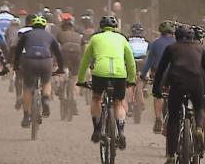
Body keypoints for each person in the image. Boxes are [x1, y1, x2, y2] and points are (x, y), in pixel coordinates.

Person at [151, 24, 205, 164]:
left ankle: (170, 157)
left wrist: (156, 90)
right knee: (199, 108)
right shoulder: (200, 49)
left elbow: (161, 71)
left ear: (176, 37)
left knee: (174, 119)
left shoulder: (171, 49)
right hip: (197, 85)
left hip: (177, 85)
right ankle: (199, 129)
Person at [76, 15, 136, 150]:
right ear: (115, 28)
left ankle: (97, 129)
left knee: (96, 98)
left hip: (100, 72)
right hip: (120, 73)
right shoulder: (122, 39)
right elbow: (131, 62)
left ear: (101, 27)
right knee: (118, 103)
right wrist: (131, 79)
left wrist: (81, 80)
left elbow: (85, 61)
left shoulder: (95, 38)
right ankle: (120, 131)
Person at [13, 15, 65, 127]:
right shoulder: (50, 36)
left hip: (29, 61)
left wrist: (16, 66)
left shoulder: (26, 35)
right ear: (44, 26)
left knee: (27, 87)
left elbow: (17, 51)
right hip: (45, 62)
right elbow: (58, 54)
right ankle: (45, 98)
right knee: (46, 81)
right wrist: (61, 68)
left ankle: (26, 116)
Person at [139, 20, 176, 133]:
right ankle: (171, 120)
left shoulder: (155, 43)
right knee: (173, 97)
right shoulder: (177, 42)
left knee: (158, 95)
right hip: (174, 74)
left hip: (159, 74)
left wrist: (143, 74)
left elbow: (149, 61)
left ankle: (158, 120)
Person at [55, 13, 83, 116]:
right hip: (77, 53)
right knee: (74, 77)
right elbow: (83, 46)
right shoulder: (77, 35)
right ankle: (73, 97)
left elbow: (55, 46)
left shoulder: (60, 34)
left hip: (65, 52)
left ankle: (60, 86)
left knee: (62, 70)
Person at [127, 22, 150, 116]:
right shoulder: (146, 41)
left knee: (130, 85)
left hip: (131, 62)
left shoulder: (127, 40)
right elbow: (150, 55)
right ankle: (144, 89)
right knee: (141, 81)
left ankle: (129, 107)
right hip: (143, 62)